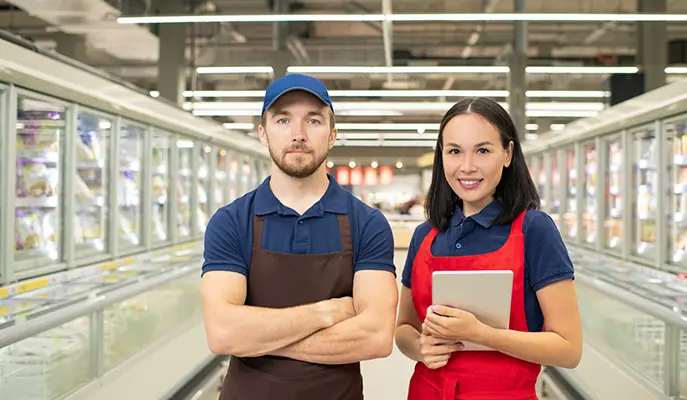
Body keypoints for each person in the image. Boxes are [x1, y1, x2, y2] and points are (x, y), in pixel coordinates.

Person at [199, 73, 399, 400]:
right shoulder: (231, 222)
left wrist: (260, 338)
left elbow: (375, 337)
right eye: (282, 120)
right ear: (263, 133)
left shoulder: (368, 224)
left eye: (314, 121)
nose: (298, 134)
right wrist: (325, 313)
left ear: (332, 135)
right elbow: (223, 333)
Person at [395, 97, 583, 400]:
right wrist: (418, 347)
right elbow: (404, 328)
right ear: (441, 156)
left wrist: (481, 334)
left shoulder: (533, 230)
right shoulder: (425, 235)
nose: (467, 167)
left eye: (483, 150)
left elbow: (569, 349)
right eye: (454, 151)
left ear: (508, 153)